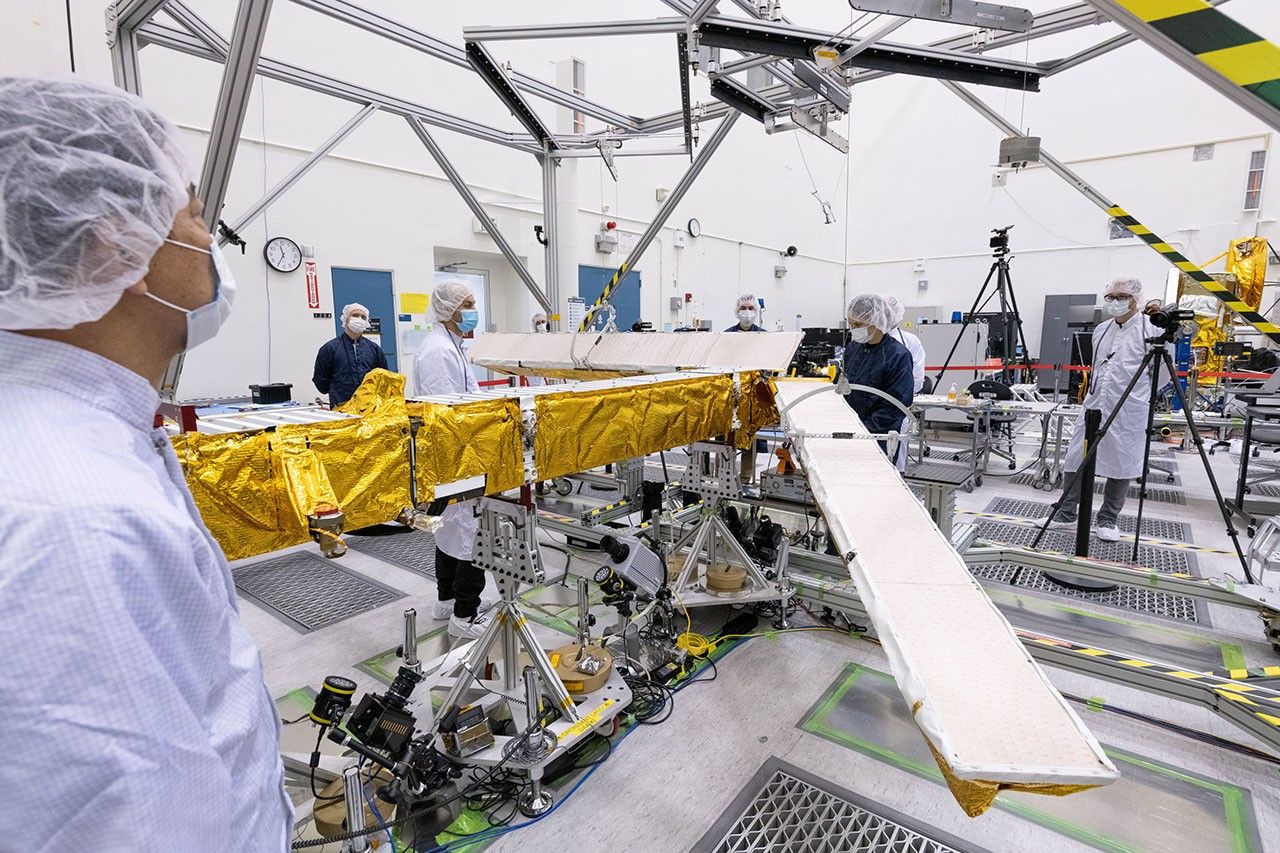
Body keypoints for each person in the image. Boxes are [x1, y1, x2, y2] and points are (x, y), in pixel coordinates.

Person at [0, 78, 291, 848]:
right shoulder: (73, 520)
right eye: (193, 214)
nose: (209, 239)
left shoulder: (88, 438)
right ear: (114, 245)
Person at [1048, 276, 1166, 542]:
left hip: (1130, 407)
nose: (1115, 302)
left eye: (1121, 297)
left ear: (1136, 299)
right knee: (1077, 456)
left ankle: (1108, 519)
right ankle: (1065, 514)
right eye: (1110, 297)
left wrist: (1140, 397)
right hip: (1094, 403)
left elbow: (1161, 375)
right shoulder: (1101, 330)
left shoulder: (1151, 330)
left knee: (1121, 462)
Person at [414, 280, 489, 638]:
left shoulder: (450, 346)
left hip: (455, 456)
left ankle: (446, 601)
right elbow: (448, 411)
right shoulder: (439, 352)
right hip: (457, 457)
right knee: (470, 533)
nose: (474, 310)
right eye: (468, 304)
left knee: (449, 529)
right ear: (449, 309)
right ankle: (465, 614)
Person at [842, 294, 915, 471]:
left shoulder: (897, 356)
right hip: (849, 432)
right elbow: (843, 385)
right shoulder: (853, 348)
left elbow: (896, 405)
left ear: (877, 321)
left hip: (879, 436)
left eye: (858, 325)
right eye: (850, 324)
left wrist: (865, 432)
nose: (853, 329)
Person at [313, 301, 389, 408]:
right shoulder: (329, 349)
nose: (359, 319)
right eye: (355, 315)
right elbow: (321, 382)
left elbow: (384, 378)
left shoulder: (374, 349)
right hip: (341, 408)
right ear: (345, 319)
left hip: (369, 408)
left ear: (367, 322)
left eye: (363, 317)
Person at [884, 294, 927, 394]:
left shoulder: (910, 340)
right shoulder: (865, 341)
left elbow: (917, 377)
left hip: (901, 399)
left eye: (888, 314)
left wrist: (902, 397)